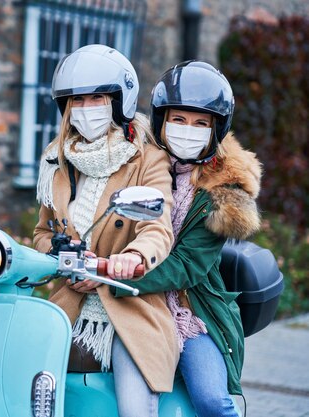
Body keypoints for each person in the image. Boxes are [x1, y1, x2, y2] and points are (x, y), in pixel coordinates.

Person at [110, 60, 262, 417]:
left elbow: (187, 266)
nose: (187, 130)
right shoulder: (138, 165)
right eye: (178, 120)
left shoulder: (223, 191)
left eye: (200, 124)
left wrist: (118, 280)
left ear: (216, 130)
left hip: (191, 308)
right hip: (133, 301)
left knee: (211, 399)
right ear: (162, 121)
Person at [33, 44, 177, 417]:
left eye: (96, 98)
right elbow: (42, 232)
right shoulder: (56, 160)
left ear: (118, 101)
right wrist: (64, 258)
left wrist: (127, 259)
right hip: (70, 304)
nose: (85, 109)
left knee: (133, 407)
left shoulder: (147, 158)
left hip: (128, 307)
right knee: (21, 380)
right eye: (76, 100)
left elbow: (157, 227)